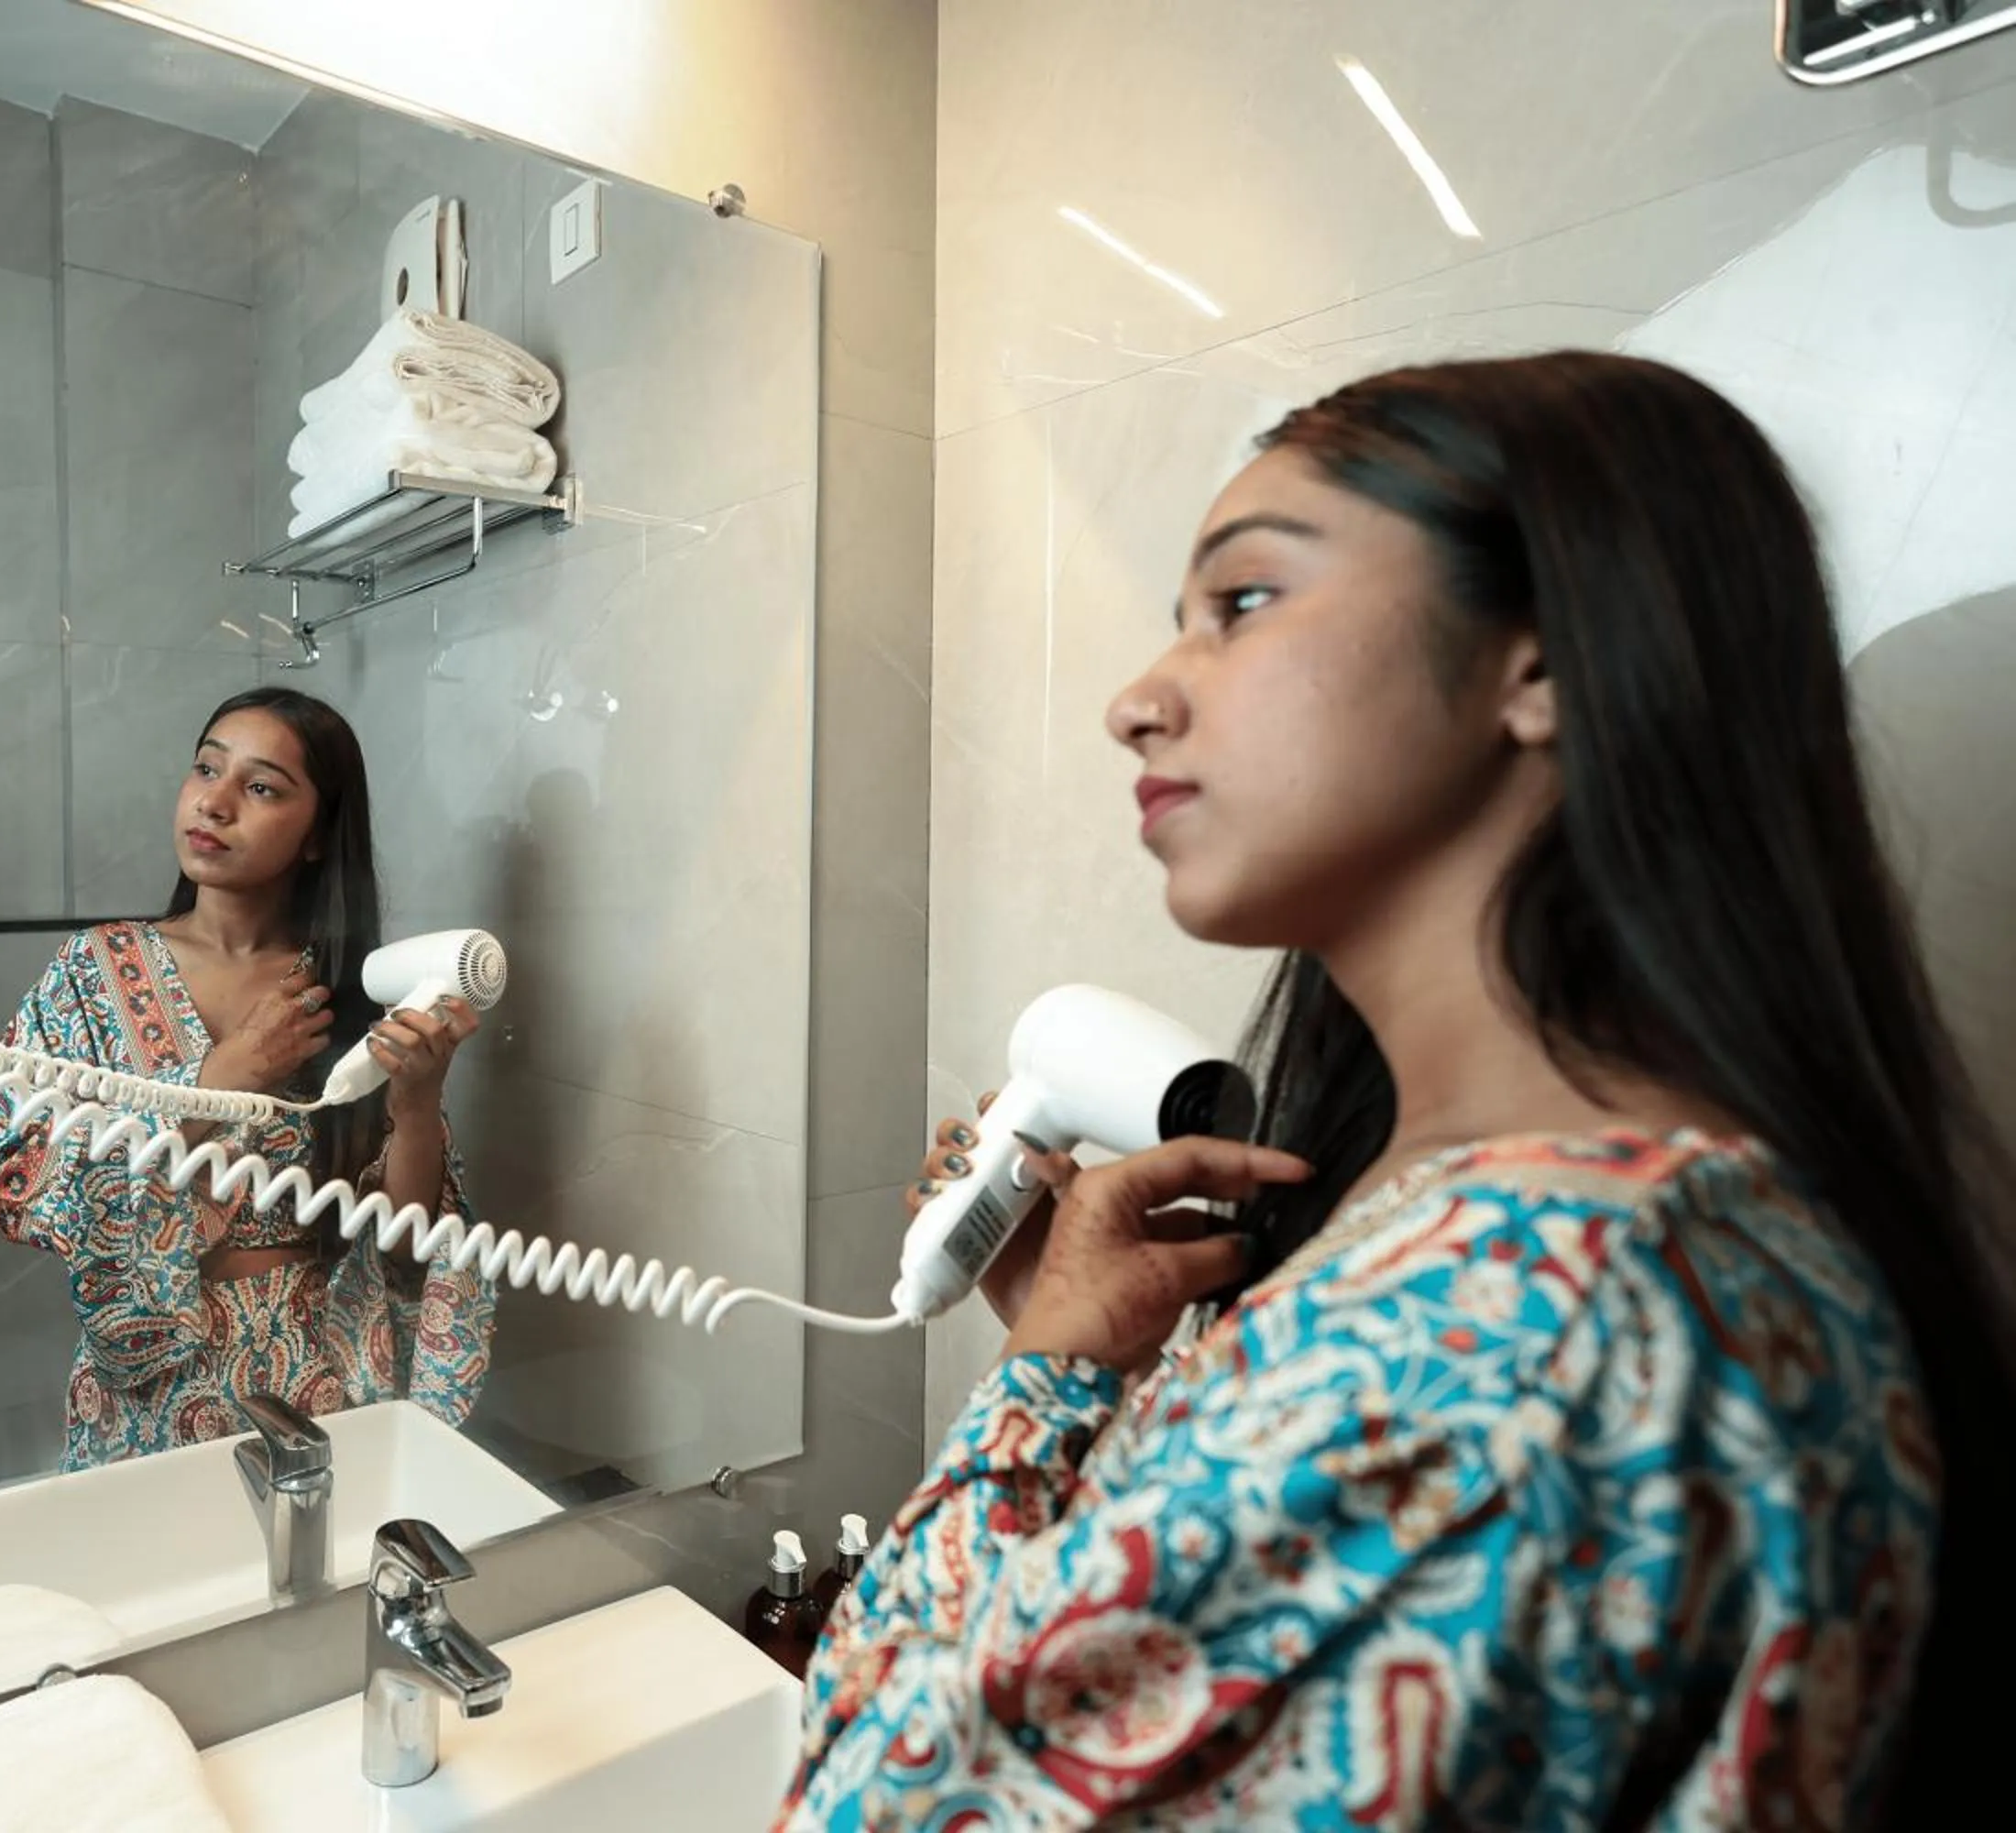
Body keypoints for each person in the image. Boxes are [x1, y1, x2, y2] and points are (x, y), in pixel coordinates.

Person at [780, 354, 2014, 1829]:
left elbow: (869, 1805)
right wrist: (1092, 1357)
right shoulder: (1593, 1242)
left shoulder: (1520, 1315)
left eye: (1243, 603)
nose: (1136, 700)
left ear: (1545, 658)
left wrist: (1041, 1387)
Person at [0, 686, 494, 1468]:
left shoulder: (349, 994)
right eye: (205, 769)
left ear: (319, 834)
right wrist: (220, 1080)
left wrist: (417, 1106)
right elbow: (20, 1189)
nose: (214, 804)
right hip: (143, 1393)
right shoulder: (92, 972)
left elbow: (405, 1253)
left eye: (260, 787)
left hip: (317, 1390)